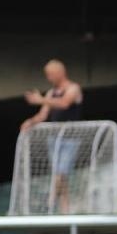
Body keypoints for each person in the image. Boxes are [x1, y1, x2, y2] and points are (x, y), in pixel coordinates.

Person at [20, 60, 86, 213]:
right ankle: (65, 210)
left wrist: (40, 99)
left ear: (59, 73)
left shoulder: (73, 88)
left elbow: (64, 103)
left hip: (71, 138)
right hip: (54, 139)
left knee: (61, 173)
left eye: (50, 74)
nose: (49, 78)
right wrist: (30, 122)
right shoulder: (51, 93)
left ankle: (49, 203)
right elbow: (43, 115)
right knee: (60, 176)